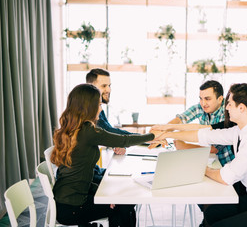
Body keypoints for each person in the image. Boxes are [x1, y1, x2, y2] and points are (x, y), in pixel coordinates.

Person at [153, 83, 247, 227]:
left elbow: (224, 177)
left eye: (229, 104)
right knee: (211, 213)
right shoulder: (241, 130)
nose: (226, 108)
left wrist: (201, 168)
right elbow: (204, 135)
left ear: (241, 108)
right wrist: (167, 133)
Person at [51, 84, 157, 227]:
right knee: (125, 203)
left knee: (122, 199)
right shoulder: (88, 131)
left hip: (65, 201)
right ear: (88, 107)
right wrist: (153, 136)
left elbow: (80, 177)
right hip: (73, 208)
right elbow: (123, 140)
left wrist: (108, 196)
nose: (101, 109)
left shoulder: (71, 129)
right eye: (99, 105)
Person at [158, 80, 235, 166]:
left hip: (226, 164)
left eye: (207, 99)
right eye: (201, 99)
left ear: (220, 99)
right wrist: (161, 132)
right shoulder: (201, 107)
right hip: (211, 160)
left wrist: (184, 146)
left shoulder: (228, 114)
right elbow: (181, 119)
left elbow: (214, 149)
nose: (203, 103)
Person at [86, 68, 135, 183]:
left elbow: (107, 130)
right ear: (91, 87)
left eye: (109, 85)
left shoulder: (97, 106)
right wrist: (149, 138)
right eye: (104, 86)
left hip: (94, 171)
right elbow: (107, 130)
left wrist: (115, 144)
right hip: (87, 178)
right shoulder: (88, 111)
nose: (108, 89)